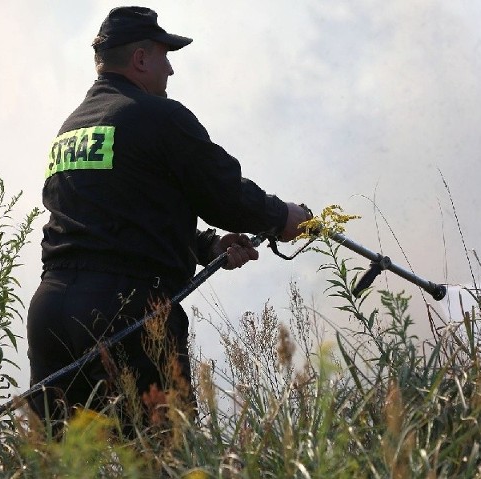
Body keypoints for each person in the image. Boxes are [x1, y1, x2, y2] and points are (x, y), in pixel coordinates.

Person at [26, 6, 310, 432]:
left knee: (60, 467)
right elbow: (224, 194)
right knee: (166, 458)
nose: (171, 69)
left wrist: (206, 248)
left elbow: (116, 216)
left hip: (51, 314)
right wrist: (282, 217)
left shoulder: (73, 128)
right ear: (140, 59)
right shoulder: (159, 116)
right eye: (164, 55)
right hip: (124, 313)